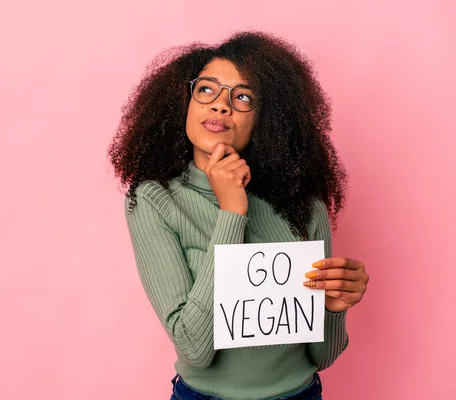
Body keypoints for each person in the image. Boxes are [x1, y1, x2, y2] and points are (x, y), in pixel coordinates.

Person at [108, 31, 369, 400]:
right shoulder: (154, 199)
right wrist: (232, 211)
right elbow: (194, 348)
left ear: (268, 119)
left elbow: (321, 356)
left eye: (242, 97)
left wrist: (334, 308)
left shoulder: (304, 205)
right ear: (184, 102)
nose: (220, 106)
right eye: (206, 90)